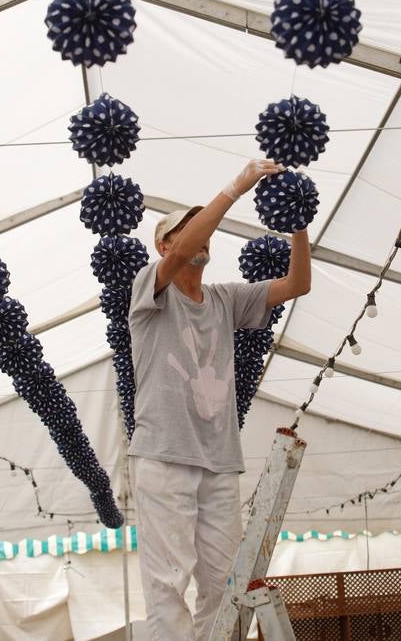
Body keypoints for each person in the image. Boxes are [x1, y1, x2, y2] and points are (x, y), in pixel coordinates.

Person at [128, 158, 312, 640]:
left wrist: (299, 223)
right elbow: (189, 242)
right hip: (164, 454)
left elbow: (298, 285)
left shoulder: (226, 298)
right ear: (165, 246)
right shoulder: (151, 289)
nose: (200, 237)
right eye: (186, 232)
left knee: (223, 582)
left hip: (218, 458)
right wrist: (238, 186)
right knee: (168, 580)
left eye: (204, 229)